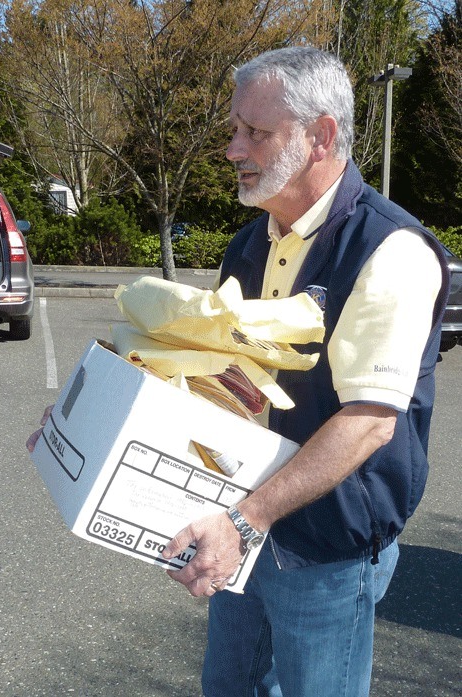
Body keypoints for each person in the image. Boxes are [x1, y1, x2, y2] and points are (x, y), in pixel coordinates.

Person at [157, 46, 450, 696]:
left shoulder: (389, 251)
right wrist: (99, 425)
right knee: (229, 687)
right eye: (235, 129)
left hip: (325, 549)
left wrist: (244, 520)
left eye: (254, 132)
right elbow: (220, 376)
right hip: (245, 520)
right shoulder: (249, 244)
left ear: (321, 135)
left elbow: (370, 423)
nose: (233, 148)